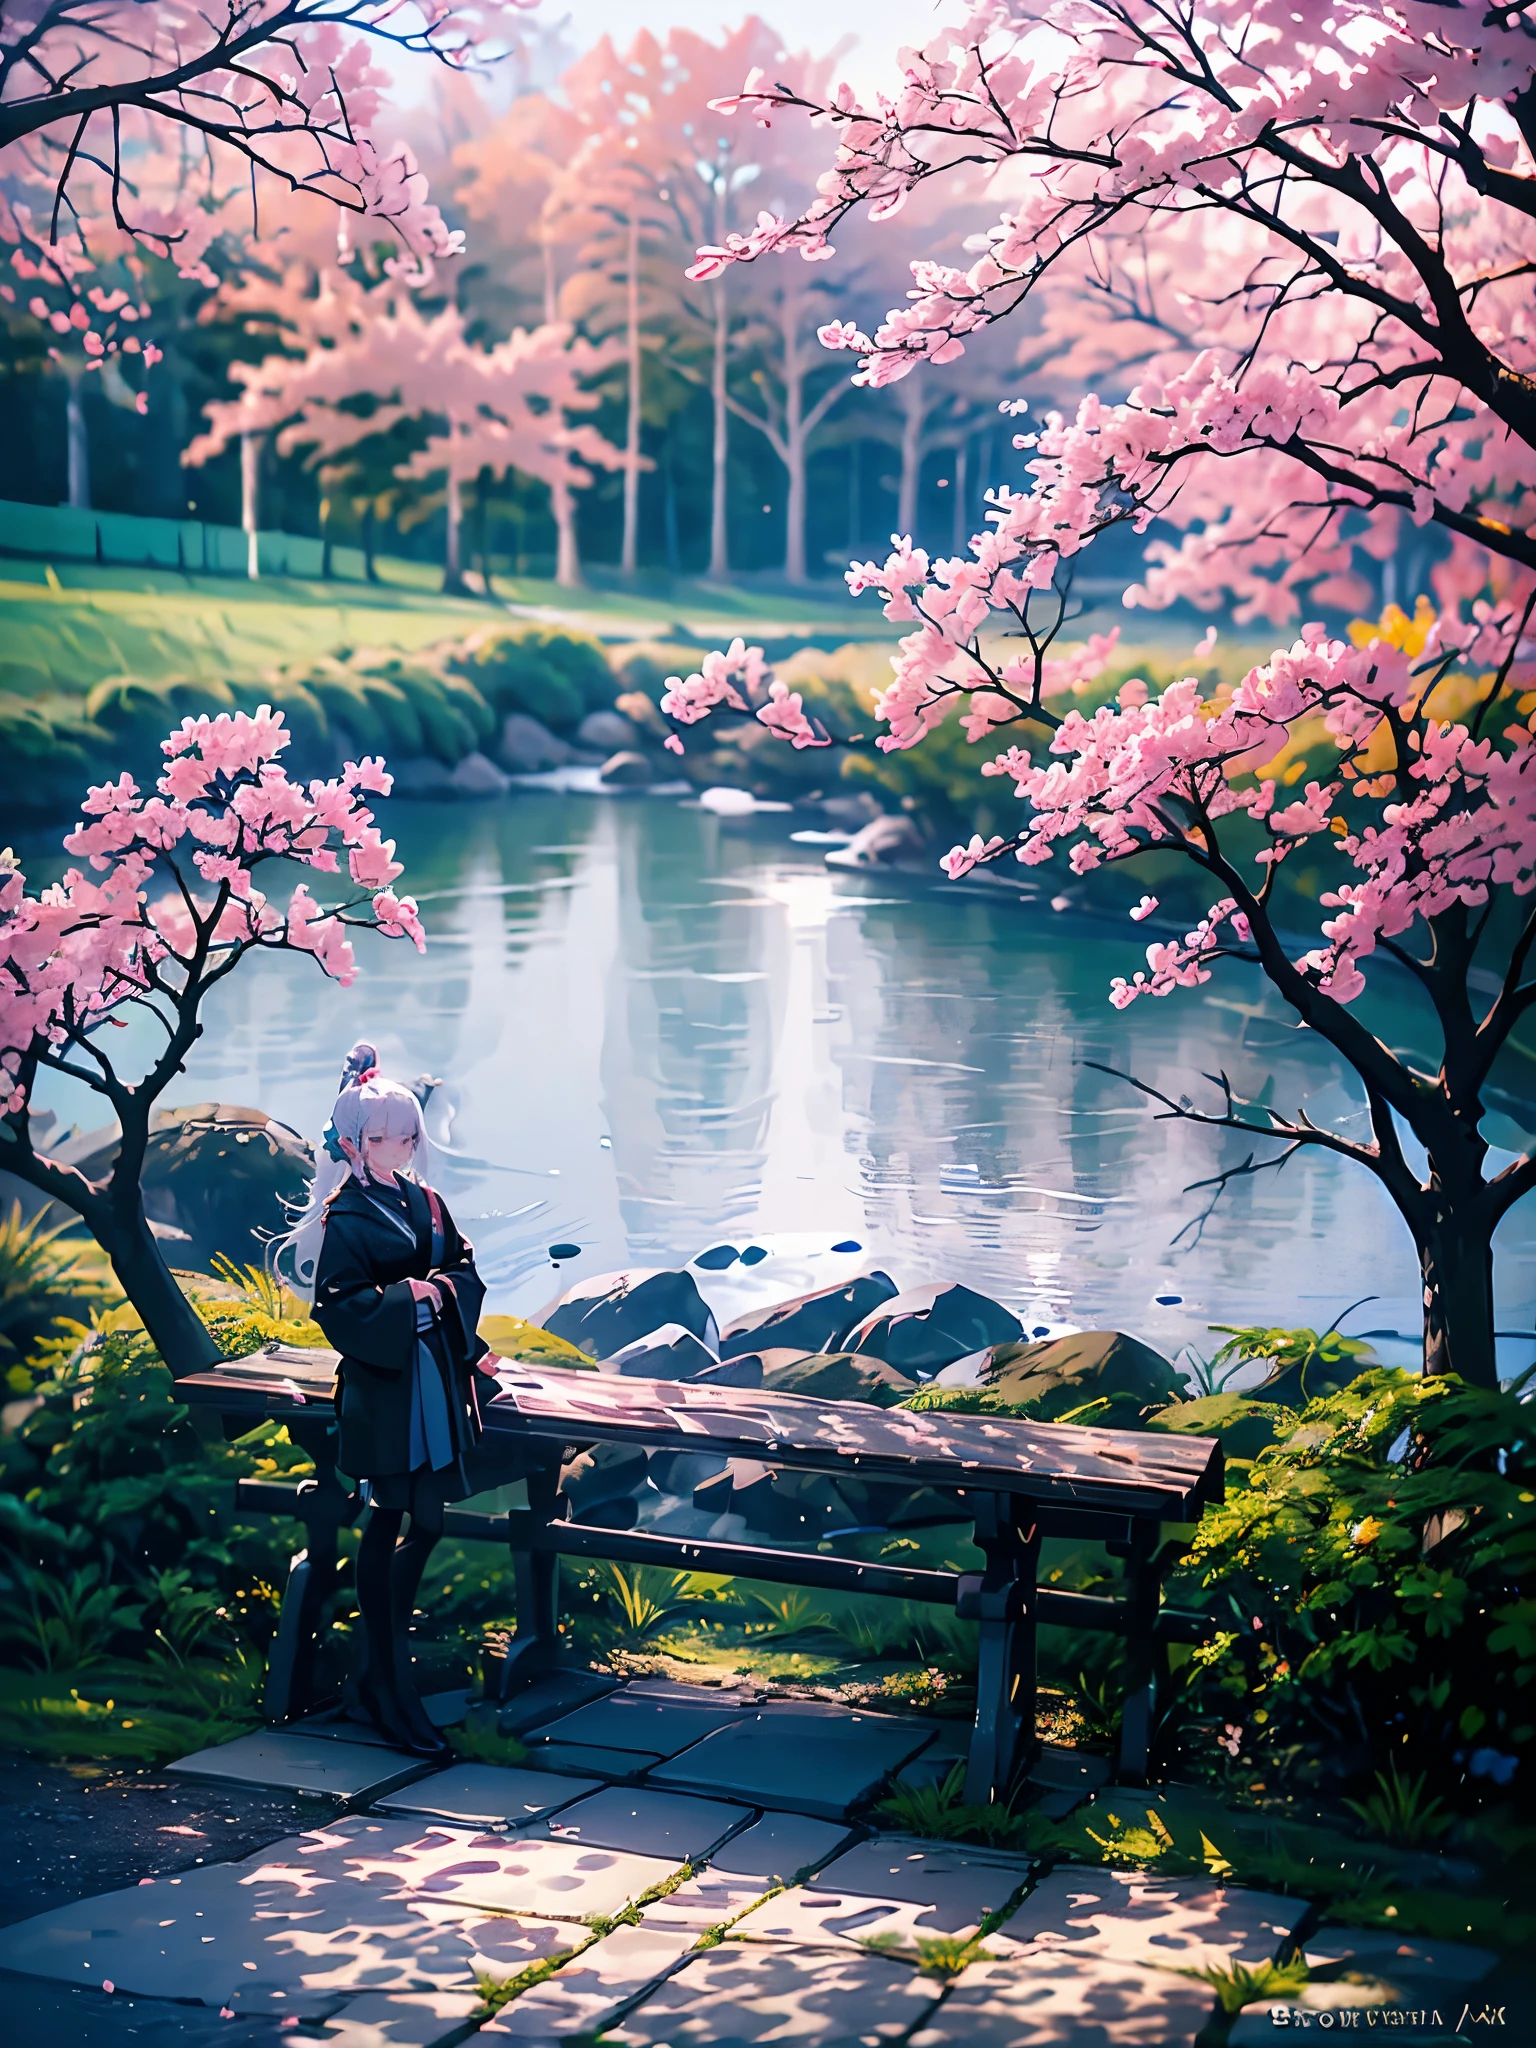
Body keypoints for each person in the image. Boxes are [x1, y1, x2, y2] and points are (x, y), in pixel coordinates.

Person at [276, 1040, 499, 1757]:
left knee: (429, 1519)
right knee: (391, 1511)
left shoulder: (426, 1202)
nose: (396, 1148)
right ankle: (385, 1676)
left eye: (405, 1137)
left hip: (433, 1377)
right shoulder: (345, 1217)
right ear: (351, 1144)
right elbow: (337, 1304)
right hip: (386, 1384)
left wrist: (446, 1296)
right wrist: (412, 1296)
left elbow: (462, 1267)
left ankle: (376, 1655)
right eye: (380, 1139)